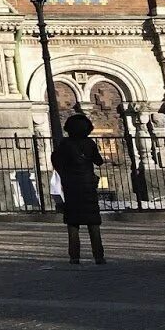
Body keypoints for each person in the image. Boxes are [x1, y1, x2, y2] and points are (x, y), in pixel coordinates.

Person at [51, 111, 106, 265]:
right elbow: (99, 161)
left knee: (73, 224)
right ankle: (99, 256)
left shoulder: (65, 144)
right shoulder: (89, 143)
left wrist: (65, 172)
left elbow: (56, 160)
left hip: (71, 186)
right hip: (88, 185)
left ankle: (74, 257)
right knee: (93, 223)